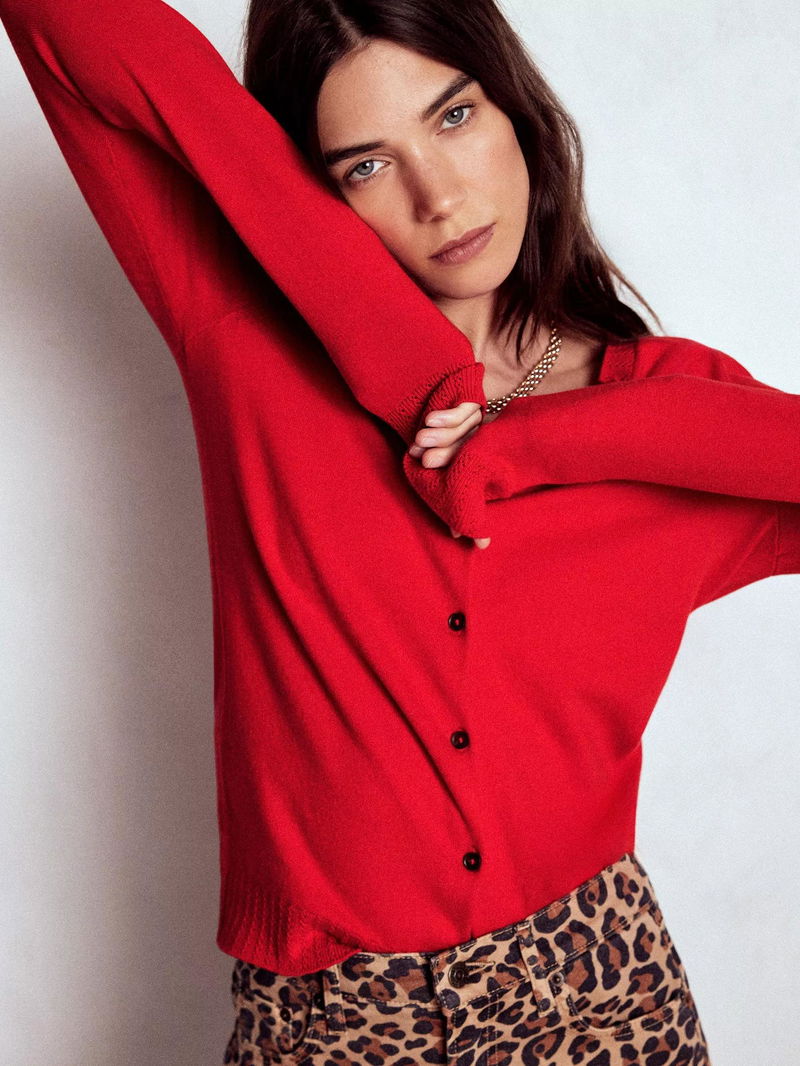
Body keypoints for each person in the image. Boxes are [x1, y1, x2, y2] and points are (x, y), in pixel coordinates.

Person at [2, 0, 798, 1062]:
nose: (439, 194)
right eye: (366, 165)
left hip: (603, 993)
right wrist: (301, 230)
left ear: (516, 110)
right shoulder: (247, 346)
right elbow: (73, 27)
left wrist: (540, 441)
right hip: (339, 1023)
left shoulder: (669, 413)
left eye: (455, 116)